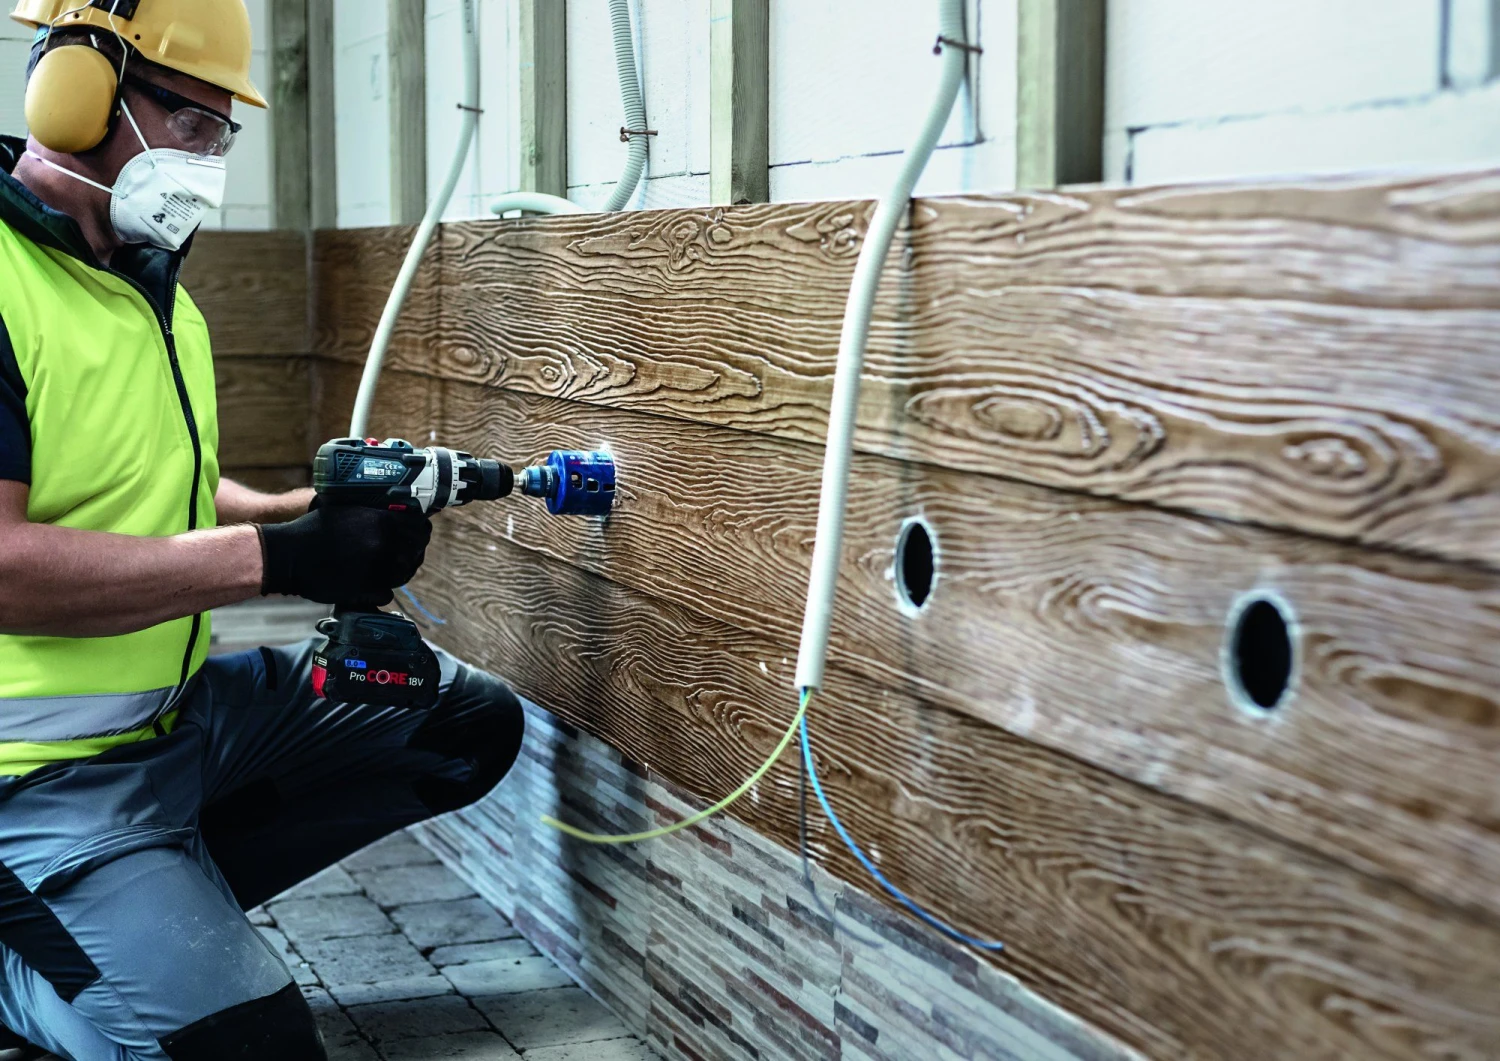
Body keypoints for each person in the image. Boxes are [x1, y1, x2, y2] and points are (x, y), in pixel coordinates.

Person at [0, 2, 524, 1057]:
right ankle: (35, 960)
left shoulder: (146, 285)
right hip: (33, 778)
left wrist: (301, 512)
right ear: (78, 92)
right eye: (191, 122)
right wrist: (281, 560)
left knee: (458, 725)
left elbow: (154, 494)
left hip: (176, 725)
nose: (206, 160)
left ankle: (139, 911)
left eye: (221, 132)